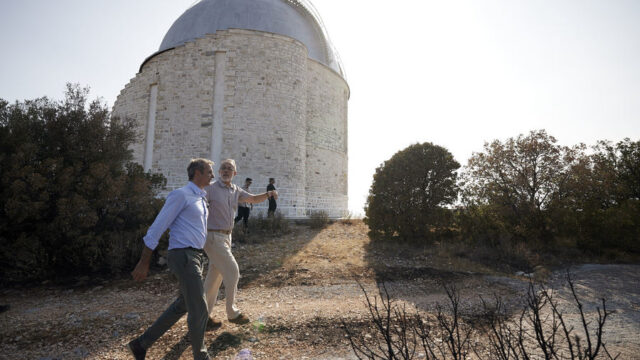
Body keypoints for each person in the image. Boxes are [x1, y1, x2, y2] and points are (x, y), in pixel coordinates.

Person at [127, 158, 215, 360]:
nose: (212, 175)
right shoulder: (180, 195)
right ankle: (201, 356)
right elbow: (158, 227)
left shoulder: (201, 198)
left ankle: (141, 344)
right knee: (199, 306)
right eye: (209, 172)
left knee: (185, 304)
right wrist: (144, 261)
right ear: (197, 173)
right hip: (183, 255)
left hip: (195, 256)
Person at [204, 159, 277, 326]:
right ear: (219, 171)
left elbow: (252, 199)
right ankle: (232, 312)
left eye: (230, 168)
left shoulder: (236, 190)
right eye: (223, 168)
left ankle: (203, 317)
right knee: (233, 271)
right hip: (213, 237)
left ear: (234, 174)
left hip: (226, 237)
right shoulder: (210, 189)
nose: (226, 170)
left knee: (214, 278)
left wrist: (269, 194)